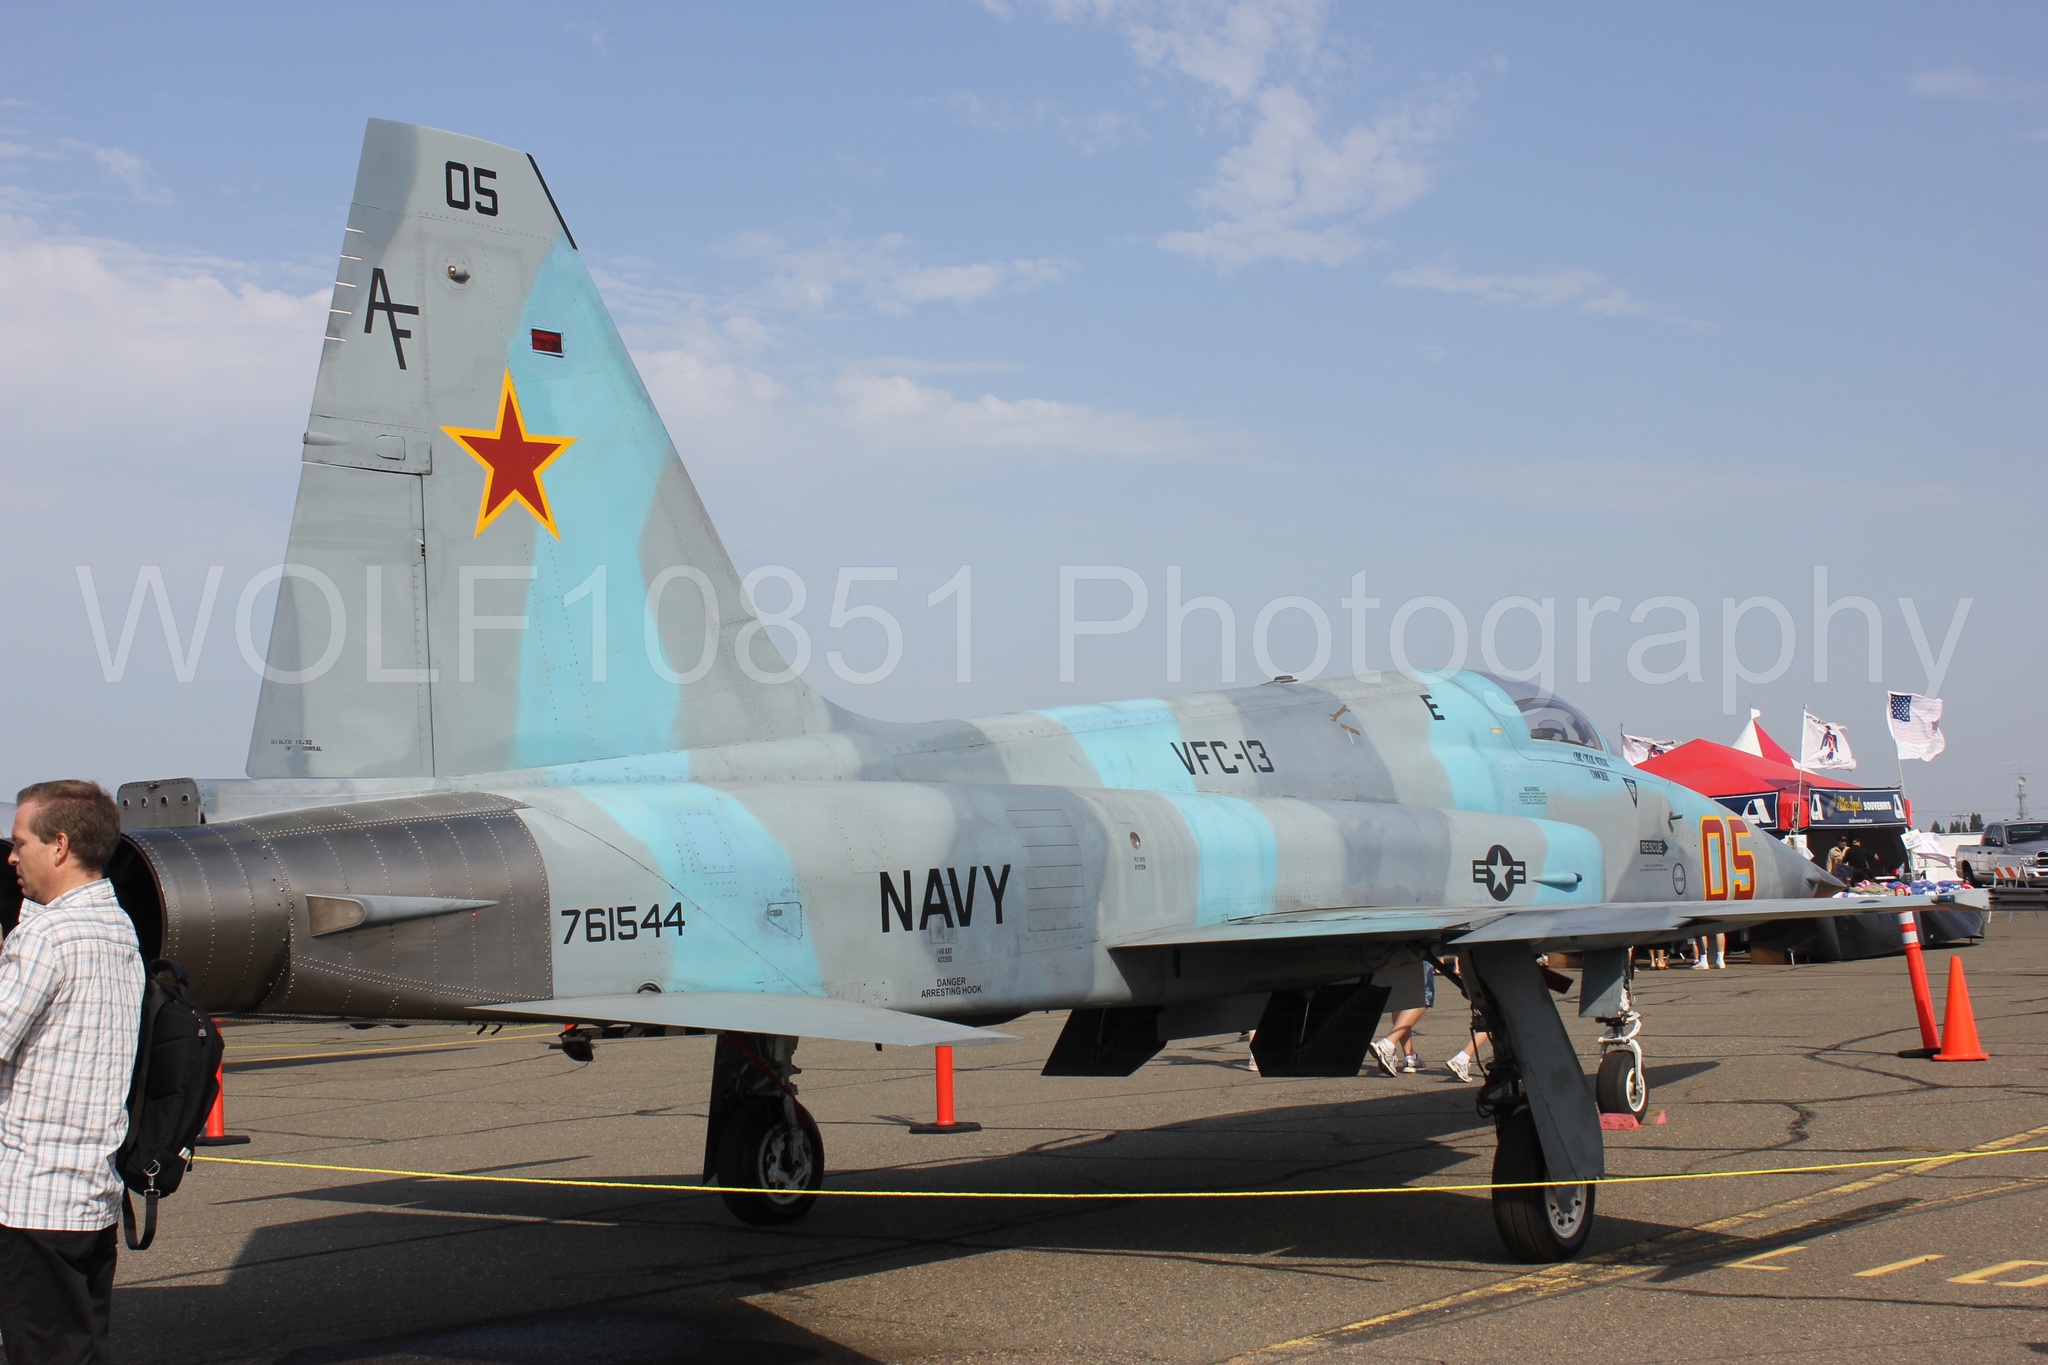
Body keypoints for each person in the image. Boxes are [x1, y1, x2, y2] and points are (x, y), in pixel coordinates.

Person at [0, 781, 146, 1365]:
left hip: (34, 1200)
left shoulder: (46, 935)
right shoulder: (118, 928)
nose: (12, 857)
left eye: (20, 843)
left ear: (59, 845)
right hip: (89, 1195)